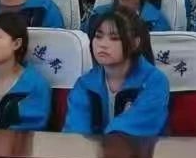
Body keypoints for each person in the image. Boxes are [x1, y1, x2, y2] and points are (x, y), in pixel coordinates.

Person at [63, 8, 169, 136]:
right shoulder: (85, 84)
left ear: (135, 43)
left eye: (114, 38)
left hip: (140, 148)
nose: (103, 44)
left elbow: (136, 128)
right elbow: (75, 132)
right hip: (91, 149)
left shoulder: (154, 81)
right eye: (98, 36)